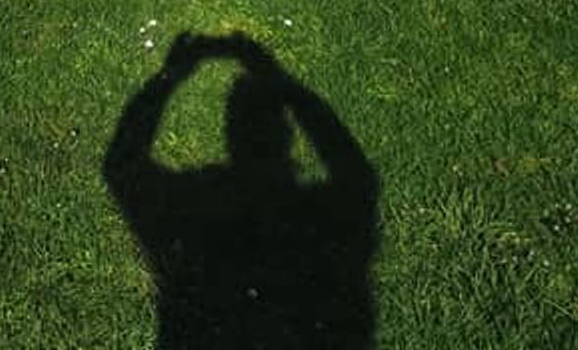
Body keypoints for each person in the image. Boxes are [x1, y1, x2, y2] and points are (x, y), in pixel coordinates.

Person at [104, 32, 378, 349]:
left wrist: (170, 75)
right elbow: (356, 174)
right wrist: (279, 79)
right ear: (289, 136)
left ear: (229, 133)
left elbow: (121, 163)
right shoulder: (315, 213)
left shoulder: (194, 210)